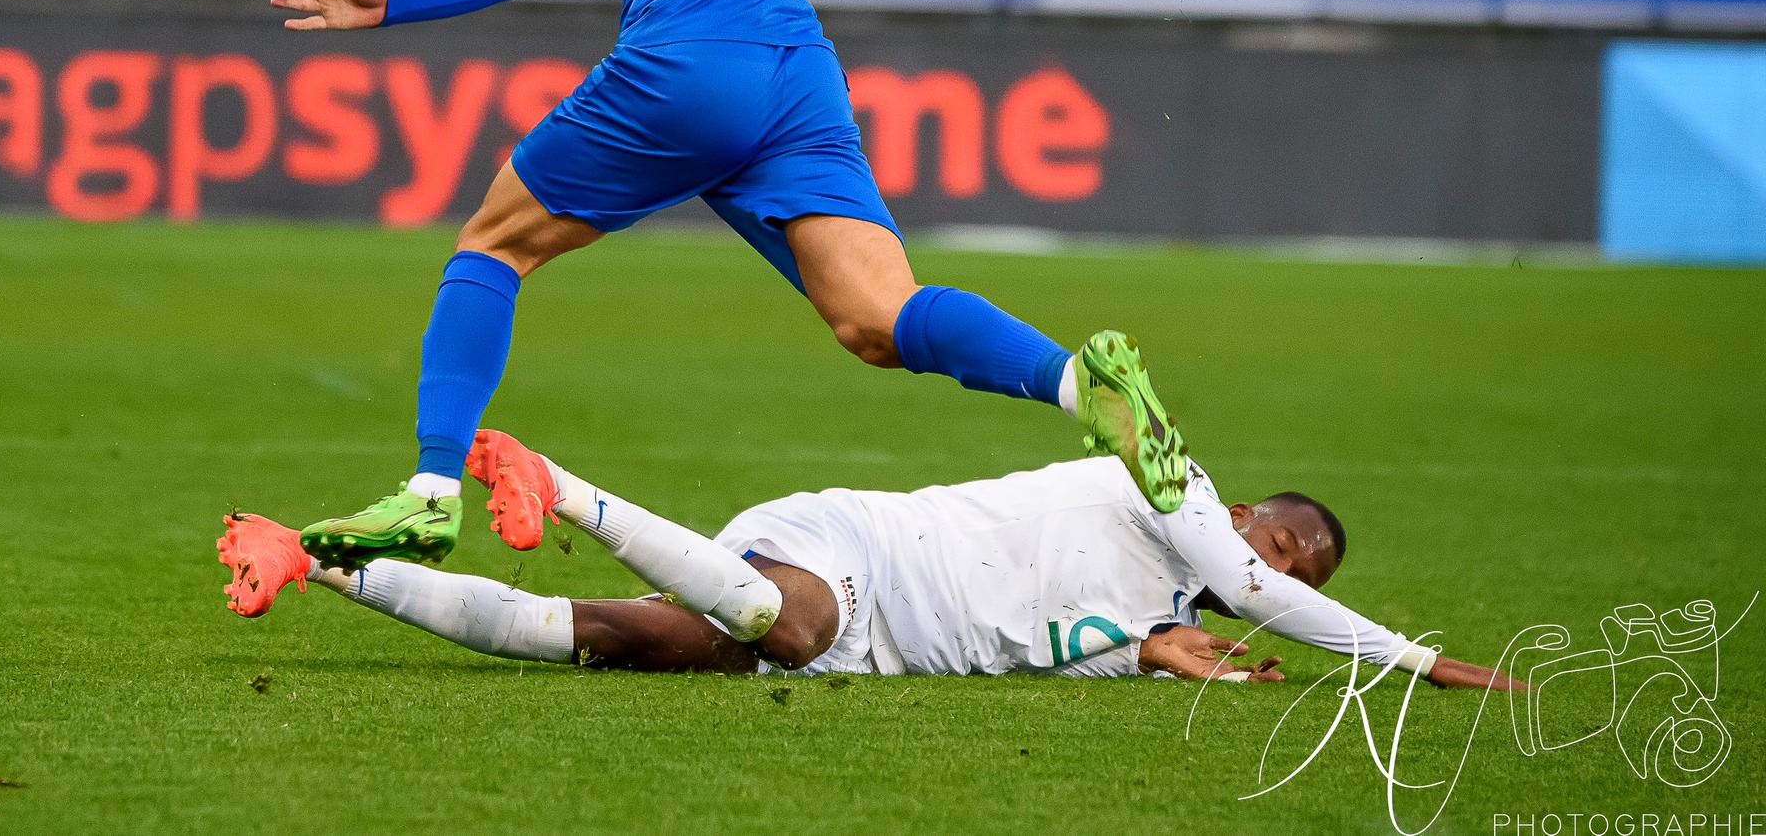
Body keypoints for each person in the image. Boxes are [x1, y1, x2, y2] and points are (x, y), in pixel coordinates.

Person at [268, 0, 1186, 573]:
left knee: (492, 241)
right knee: (874, 318)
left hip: (693, 59)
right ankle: (1086, 385)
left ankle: (427, 493)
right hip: (792, 77)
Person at [217, 429, 1515, 691]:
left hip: (881, 639)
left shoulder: (1175, 612)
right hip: (853, 550)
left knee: (606, 636)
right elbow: (1253, 589)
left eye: (1296, 563)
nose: (1269, 558)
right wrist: (1424, 662)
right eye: (1278, 533)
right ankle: (562, 483)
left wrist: (1136, 651)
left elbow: (1030, 642)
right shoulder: (1162, 484)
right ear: (1241, 504)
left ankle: (314, 555)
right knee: (777, 628)